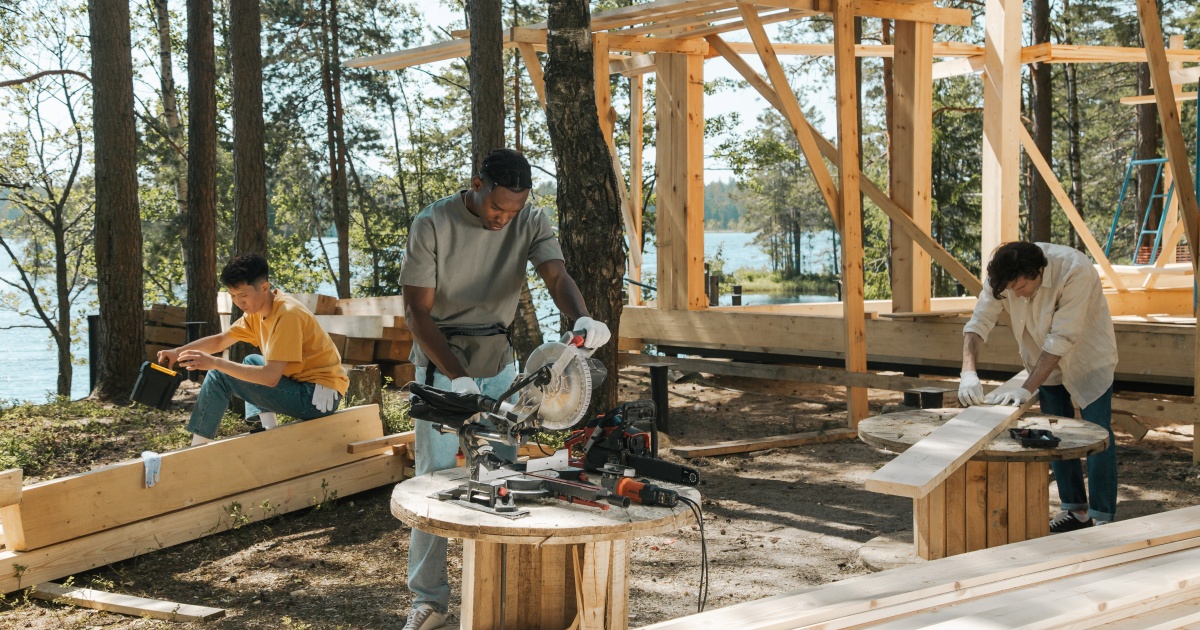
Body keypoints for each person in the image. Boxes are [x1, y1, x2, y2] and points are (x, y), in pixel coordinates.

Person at [398, 148, 611, 630]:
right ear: (476, 184)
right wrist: (457, 377)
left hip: (499, 362)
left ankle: (498, 591)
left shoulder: (530, 220)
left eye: (513, 211)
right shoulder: (432, 224)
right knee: (433, 482)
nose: (503, 219)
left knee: (500, 476)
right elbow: (417, 313)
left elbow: (555, 274)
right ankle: (428, 600)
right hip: (442, 367)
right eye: (497, 208)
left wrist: (580, 315)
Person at [958, 241, 1118, 533]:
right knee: (1052, 437)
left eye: (1020, 288)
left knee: (1098, 436)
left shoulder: (1074, 270)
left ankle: (1103, 516)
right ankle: (1076, 512)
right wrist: (968, 371)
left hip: (1087, 360)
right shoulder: (1003, 276)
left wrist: (1026, 388)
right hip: (1042, 364)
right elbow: (978, 322)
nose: (1015, 295)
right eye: (1010, 290)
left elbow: (1062, 338)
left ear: (1039, 272)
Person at [159, 253, 349, 446]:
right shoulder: (256, 313)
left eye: (243, 296)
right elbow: (220, 341)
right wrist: (177, 352)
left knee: (219, 374)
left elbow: (270, 377)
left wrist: (215, 362)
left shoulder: (288, 316)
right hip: (305, 387)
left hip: (317, 398)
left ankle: (196, 449)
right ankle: (269, 432)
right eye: (232, 296)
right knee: (251, 360)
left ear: (264, 288)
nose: (239, 303)